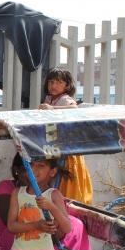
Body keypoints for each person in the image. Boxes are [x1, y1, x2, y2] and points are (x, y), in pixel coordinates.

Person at [37, 67, 93, 206]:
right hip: (52, 146)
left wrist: (52, 109)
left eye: (58, 82)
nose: (53, 86)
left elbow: (74, 109)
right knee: (51, 177)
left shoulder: (65, 100)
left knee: (63, 180)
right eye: (51, 82)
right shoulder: (49, 99)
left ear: (67, 85)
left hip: (66, 150)